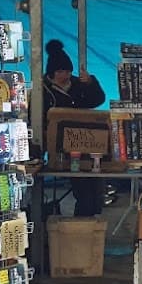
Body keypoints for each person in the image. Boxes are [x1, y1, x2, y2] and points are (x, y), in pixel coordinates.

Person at [43, 39, 106, 217]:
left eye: (68, 71)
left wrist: (91, 83)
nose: (66, 75)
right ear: (52, 72)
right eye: (61, 71)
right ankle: (82, 223)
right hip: (60, 148)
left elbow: (97, 100)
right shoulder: (44, 91)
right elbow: (38, 118)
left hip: (86, 141)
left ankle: (90, 219)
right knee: (83, 190)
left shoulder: (78, 84)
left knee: (95, 188)